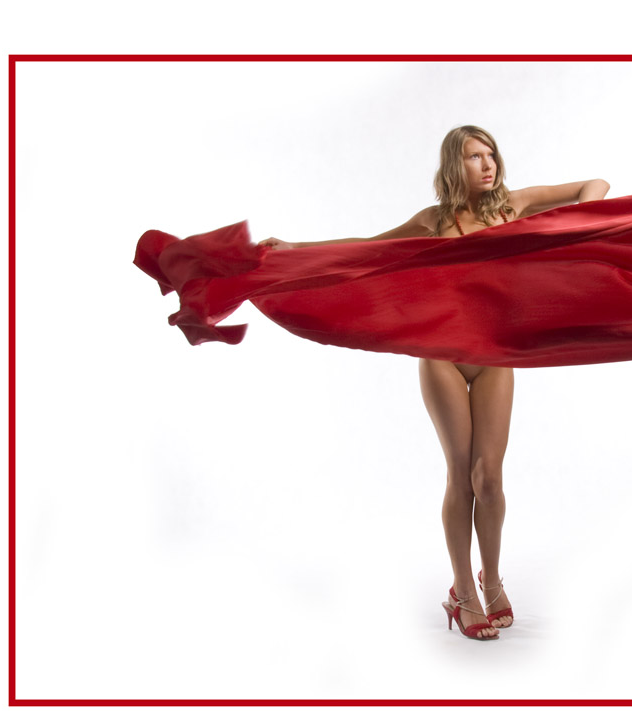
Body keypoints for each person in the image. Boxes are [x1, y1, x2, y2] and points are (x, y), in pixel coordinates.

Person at [258, 125, 609, 640]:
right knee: (461, 474)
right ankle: (463, 590)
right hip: (442, 354)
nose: (487, 165)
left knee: (490, 479)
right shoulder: (434, 221)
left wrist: (580, 222)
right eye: (474, 157)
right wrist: (296, 247)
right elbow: (367, 248)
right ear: (453, 165)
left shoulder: (513, 206)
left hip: (494, 353)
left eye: (491, 154)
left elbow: (595, 185)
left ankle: (492, 579)